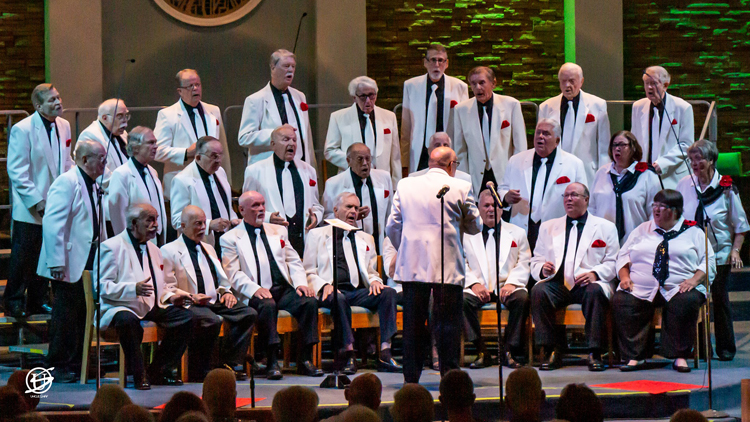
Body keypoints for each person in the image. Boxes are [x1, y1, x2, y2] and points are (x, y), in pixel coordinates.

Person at [386, 146, 481, 382]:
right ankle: (449, 381)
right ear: (451, 165)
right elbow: (476, 226)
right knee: (448, 327)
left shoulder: (406, 185)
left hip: (413, 266)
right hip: (447, 269)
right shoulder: (460, 186)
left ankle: (411, 382)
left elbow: (392, 226)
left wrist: (406, 248)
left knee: (413, 327)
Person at [220, 191, 323, 379]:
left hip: (282, 288)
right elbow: (233, 273)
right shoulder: (230, 238)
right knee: (268, 305)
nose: (260, 209)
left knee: (309, 301)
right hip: (254, 292)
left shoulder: (279, 231)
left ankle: (305, 359)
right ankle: (271, 360)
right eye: (255, 206)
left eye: (262, 204)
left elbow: (293, 260)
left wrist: (300, 283)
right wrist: (255, 289)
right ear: (241, 210)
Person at [613, 189, 716, 372]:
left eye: (662, 206)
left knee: (685, 301)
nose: (657, 210)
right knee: (623, 300)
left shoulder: (694, 232)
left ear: (675, 210)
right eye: (655, 205)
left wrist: (694, 280)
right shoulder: (641, 230)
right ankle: (636, 356)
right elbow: (623, 256)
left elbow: (708, 260)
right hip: (642, 287)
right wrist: (624, 277)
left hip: (679, 287)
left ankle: (680, 356)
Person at [97, 204, 193, 389]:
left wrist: (171, 297)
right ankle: (138, 374)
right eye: (149, 220)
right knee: (128, 321)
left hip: (149, 304)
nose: (156, 225)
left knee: (186, 317)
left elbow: (160, 285)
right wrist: (133, 289)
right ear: (134, 223)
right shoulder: (111, 247)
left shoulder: (155, 250)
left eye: (156, 219)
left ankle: (158, 370)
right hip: (120, 305)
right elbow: (100, 286)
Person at [305, 192, 401, 374]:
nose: (353, 212)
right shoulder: (317, 235)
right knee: (338, 299)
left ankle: (385, 352)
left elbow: (371, 271)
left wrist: (374, 281)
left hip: (357, 291)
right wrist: (324, 285)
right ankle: (348, 353)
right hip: (330, 291)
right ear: (335, 210)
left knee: (388, 293)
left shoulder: (365, 238)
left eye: (356, 208)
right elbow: (308, 270)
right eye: (348, 207)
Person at [37, 139, 107, 383]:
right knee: (65, 315)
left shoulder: (93, 183)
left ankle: (78, 362)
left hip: (89, 257)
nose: (105, 163)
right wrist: (56, 262)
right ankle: (57, 364)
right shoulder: (66, 182)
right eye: (101, 158)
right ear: (85, 159)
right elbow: (53, 222)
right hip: (67, 260)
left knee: (82, 313)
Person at [530, 182, 619, 371]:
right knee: (539, 290)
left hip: (587, 284)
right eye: (566, 195)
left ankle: (595, 352)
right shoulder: (548, 227)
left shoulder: (606, 227)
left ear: (586, 199)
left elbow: (613, 262)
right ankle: (551, 349)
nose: (569, 199)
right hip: (558, 283)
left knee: (595, 292)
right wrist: (542, 269)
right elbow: (536, 260)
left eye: (574, 195)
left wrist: (595, 274)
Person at [162, 205, 256, 381]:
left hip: (213, 299)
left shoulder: (208, 248)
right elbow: (166, 286)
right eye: (198, 224)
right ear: (183, 226)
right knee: (211, 320)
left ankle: (227, 362)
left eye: (204, 223)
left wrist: (226, 292)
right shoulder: (169, 250)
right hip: (189, 302)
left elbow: (221, 279)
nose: (203, 228)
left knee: (248, 313)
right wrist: (191, 296)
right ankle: (200, 369)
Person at [5, 83, 74, 318]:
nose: (58, 103)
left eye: (58, 97)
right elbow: (17, 171)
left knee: (47, 253)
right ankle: (13, 300)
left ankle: (37, 300)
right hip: (31, 206)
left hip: (56, 201)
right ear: (38, 105)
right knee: (25, 255)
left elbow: (66, 162)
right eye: (52, 100)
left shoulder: (64, 126)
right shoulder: (23, 129)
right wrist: (37, 201)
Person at [677, 140, 748, 361]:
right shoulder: (684, 184)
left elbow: (741, 226)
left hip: (719, 254)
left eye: (700, 159)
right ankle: (699, 346)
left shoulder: (727, 189)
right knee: (694, 299)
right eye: (692, 160)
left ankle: (726, 347)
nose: (695, 164)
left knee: (719, 298)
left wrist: (735, 251)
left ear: (711, 161)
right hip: (692, 255)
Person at [463, 190, 531, 369]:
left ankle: (508, 350)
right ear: (478, 209)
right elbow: (460, 262)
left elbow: (523, 262)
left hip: (506, 286)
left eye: (495, 205)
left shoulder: (517, 233)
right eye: (486, 206)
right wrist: (474, 284)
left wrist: (511, 283)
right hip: (477, 287)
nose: (491, 210)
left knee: (522, 298)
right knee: (461, 300)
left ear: (501, 209)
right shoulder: (466, 233)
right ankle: (481, 351)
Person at [499, 118, 587, 252]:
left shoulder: (574, 164)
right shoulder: (516, 160)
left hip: (557, 229)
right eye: (538, 133)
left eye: (546, 134)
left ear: (557, 141)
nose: (540, 137)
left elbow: (583, 200)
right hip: (522, 226)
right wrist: (506, 197)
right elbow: (502, 188)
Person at [243, 124, 323, 256]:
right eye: (286, 140)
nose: (292, 143)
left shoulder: (309, 170)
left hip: (303, 240)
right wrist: (267, 217)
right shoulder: (255, 171)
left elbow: (316, 205)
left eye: (294, 140)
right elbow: (247, 208)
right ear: (273, 144)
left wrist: (316, 216)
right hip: (271, 238)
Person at [154, 69, 230, 199]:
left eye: (197, 85)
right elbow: (157, 151)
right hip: (183, 181)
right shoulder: (167, 115)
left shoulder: (213, 111)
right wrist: (186, 153)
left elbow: (222, 147)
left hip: (212, 180)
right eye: (190, 86)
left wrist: (226, 180)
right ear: (180, 91)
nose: (195, 89)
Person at [453, 66, 527, 194]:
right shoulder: (461, 110)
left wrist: (517, 175)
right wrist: (464, 180)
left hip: (504, 174)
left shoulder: (511, 105)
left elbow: (520, 146)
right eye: (473, 84)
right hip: (476, 177)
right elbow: (460, 150)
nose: (478, 88)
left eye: (482, 83)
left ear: (493, 83)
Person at [238, 49, 316, 167]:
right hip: (270, 167)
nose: (290, 70)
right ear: (273, 67)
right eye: (286, 66)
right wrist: (276, 134)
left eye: (293, 66)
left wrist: (311, 167)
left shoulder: (299, 96)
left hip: (299, 165)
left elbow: (307, 136)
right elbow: (244, 138)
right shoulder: (255, 100)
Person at [538, 63, 611, 185]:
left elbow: (604, 146)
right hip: (555, 171)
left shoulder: (598, 105)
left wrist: (603, 177)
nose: (567, 86)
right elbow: (542, 144)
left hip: (587, 172)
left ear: (581, 81)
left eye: (572, 81)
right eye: (563, 81)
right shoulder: (546, 107)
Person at [401, 43, 469, 173]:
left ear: (447, 63)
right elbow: (406, 128)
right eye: (433, 60)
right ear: (425, 62)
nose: (437, 65)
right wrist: (404, 162)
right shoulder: (411, 86)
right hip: (420, 150)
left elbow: (464, 127)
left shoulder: (460, 87)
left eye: (440, 60)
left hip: (449, 150)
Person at [324, 76, 401, 186]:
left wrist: (395, 184)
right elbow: (330, 150)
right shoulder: (338, 117)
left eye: (371, 95)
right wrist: (354, 162)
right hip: (351, 180)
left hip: (382, 181)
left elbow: (395, 155)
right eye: (363, 97)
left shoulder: (389, 116)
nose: (368, 101)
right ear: (354, 97)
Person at [170, 136, 239, 258]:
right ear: (198, 157)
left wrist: (233, 218)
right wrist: (208, 224)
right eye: (213, 156)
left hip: (226, 240)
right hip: (201, 243)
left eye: (220, 155)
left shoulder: (220, 172)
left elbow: (225, 205)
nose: (218, 160)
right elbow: (177, 220)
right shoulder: (182, 180)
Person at [590, 130, 661, 245]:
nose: (617, 149)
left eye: (622, 145)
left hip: (636, 242)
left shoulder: (647, 175)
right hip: (603, 242)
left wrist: (651, 240)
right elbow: (592, 208)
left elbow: (654, 212)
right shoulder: (602, 173)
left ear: (633, 148)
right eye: (615, 145)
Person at [630, 66, 694, 189]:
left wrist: (662, 163)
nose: (649, 87)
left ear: (665, 85)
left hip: (671, 177)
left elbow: (686, 144)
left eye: (653, 83)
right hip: (643, 177)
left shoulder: (683, 107)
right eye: (646, 83)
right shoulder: (638, 106)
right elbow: (634, 140)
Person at [322, 143, 392, 255]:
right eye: (360, 159)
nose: (365, 163)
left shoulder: (384, 178)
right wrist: (350, 217)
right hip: (350, 246)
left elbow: (390, 214)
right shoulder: (334, 184)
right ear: (348, 161)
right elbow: (327, 218)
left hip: (380, 245)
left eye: (368, 159)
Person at [107, 127, 167, 245]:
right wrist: (125, 244)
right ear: (135, 147)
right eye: (150, 143)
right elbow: (118, 215)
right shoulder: (121, 174)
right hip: (134, 242)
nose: (155, 147)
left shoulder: (152, 172)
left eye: (155, 143)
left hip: (155, 239)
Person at [78, 98, 131, 174]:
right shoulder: (90, 136)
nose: (125, 120)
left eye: (126, 115)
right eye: (120, 116)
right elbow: (97, 172)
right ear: (105, 118)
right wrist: (121, 184)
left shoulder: (123, 133)